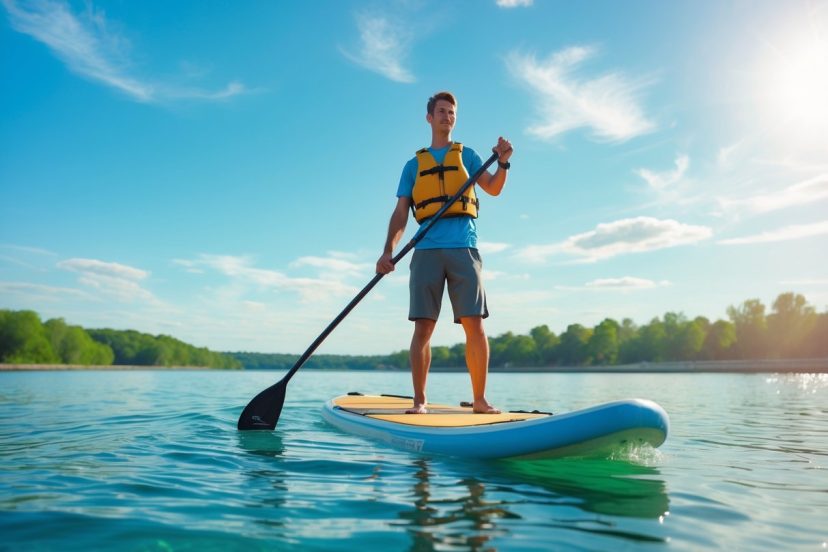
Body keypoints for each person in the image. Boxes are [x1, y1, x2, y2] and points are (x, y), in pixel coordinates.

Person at [376, 91, 513, 415]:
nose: (446, 116)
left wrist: (504, 161)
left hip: (463, 246)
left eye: (451, 112)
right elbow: (400, 214)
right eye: (441, 111)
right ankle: (419, 401)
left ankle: (479, 400)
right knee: (423, 327)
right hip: (425, 250)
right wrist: (387, 251)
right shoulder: (413, 165)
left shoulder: (468, 156)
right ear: (429, 117)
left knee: (474, 324)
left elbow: (493, 187)